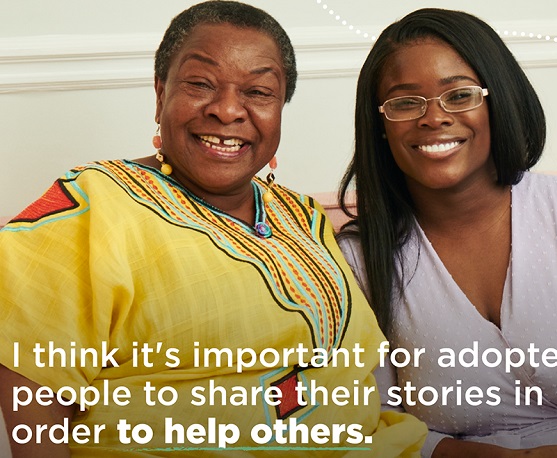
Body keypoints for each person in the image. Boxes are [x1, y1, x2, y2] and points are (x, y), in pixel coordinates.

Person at [0, 2, 426, 456]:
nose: (226, 110)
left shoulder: (302, 217)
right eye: (200, 84)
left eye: (258, 92)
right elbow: (36, 402)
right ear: (160, 93)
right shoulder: (91, 209)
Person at [337, 7, 557, 458]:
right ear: (381, 125)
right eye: (406, 102)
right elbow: (377, 420)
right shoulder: (358, 258)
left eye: (459, 95)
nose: (433, 118)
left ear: (497, 100)